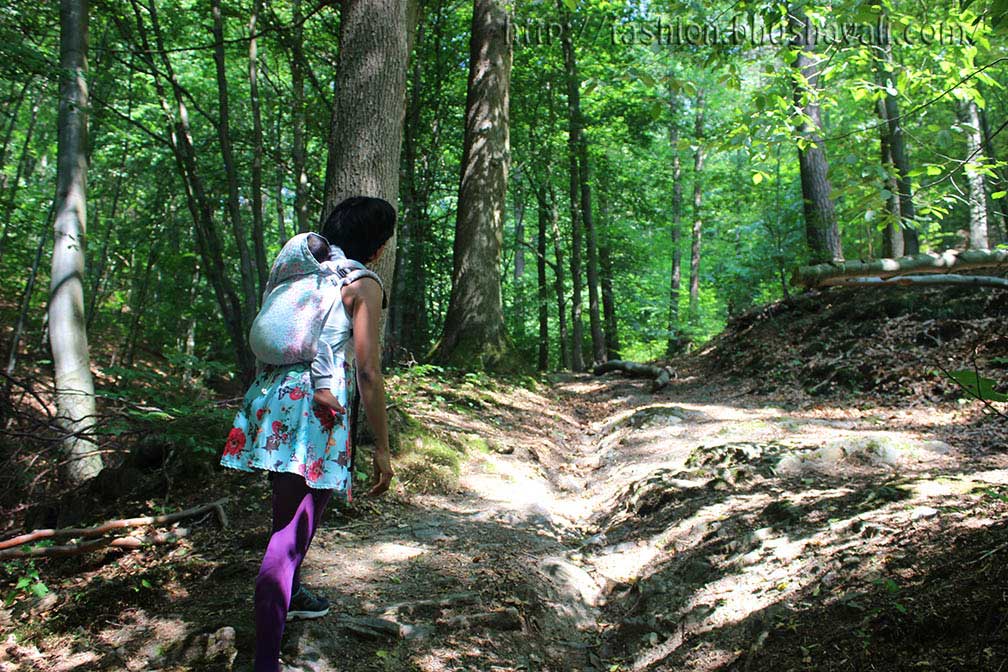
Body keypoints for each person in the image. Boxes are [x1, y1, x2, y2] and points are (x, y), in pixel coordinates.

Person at [220, 196, 395, 672]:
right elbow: (368, 372)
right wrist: (381, 447)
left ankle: (292, 595)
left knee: (286, 514)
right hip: (313, 411)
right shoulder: (361, 284)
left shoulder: (304, 271)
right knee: (289, 536)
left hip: (269, 398)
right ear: (378, 248)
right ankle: (265, 664)